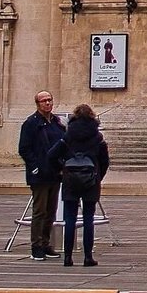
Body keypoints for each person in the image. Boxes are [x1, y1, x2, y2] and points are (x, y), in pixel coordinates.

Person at [48, 102, 109, 267]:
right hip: (91, 180)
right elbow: (105, 161)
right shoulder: (97, 137)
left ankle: (68, 257)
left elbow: (51, 155)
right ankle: (88, 256)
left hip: (70, 180)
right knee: (88, 219)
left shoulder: (68, 136)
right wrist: (98, 177)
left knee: (70, 219)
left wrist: (62, 170)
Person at [17, 90, 66, 261]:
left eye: (49, 100)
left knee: (51, 211)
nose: (47, 103)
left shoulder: (56, 123)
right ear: (37, 104)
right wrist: (35, 166)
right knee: (40, 211)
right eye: (44, 101)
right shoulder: (31, 123)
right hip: (40, 174)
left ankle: (46, 243)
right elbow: (24, 148)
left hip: (55, 172)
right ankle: (36, 245)